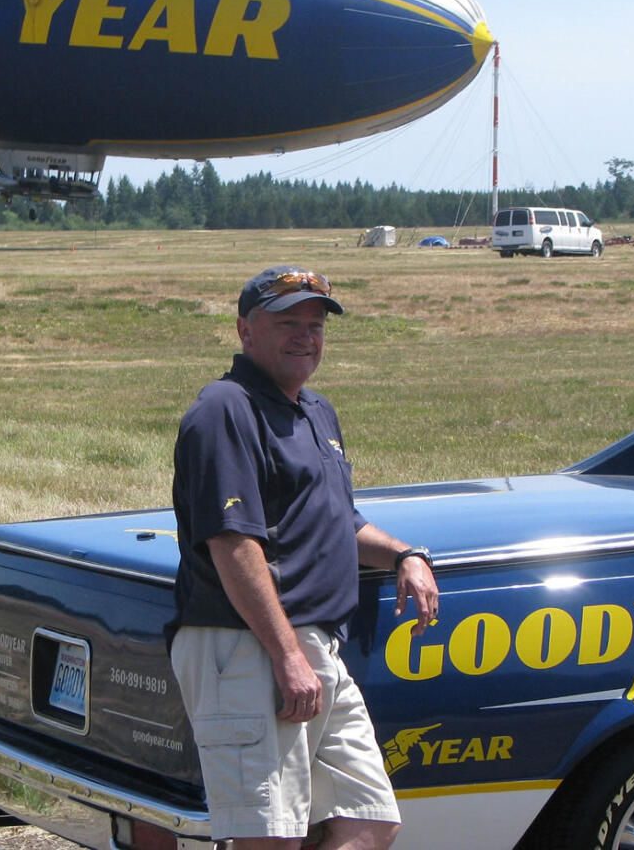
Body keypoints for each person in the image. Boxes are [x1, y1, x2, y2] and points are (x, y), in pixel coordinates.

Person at [169, 266, 440, 850]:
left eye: (315, 324)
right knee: (270, 838)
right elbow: (232, 542)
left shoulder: (316, 412)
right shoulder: (225, 409)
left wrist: (404, 556)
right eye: (287, 322)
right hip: (248, 648)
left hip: (314, 649)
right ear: (245, 330)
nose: (305, 336)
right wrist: (286, 653)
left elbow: (338, 520)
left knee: (368, 819)